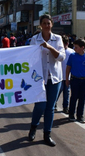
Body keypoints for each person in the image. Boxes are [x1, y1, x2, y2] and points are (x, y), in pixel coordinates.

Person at [28, 14, 65, 147]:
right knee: (40, 106)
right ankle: (33, 128)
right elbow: (30, 58)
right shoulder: (35, 39)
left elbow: (61, 57)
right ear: (40, 25)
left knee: (50, 108)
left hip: (55, 78)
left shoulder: (58, 39)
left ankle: (47, 134)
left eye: (48, 23)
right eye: (44, 23)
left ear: (52, 24)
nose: (46, 25)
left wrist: (49, 47)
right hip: (39, 78)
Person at [66, 38, 85, 124]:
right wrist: (67, 78)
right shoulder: (72, 56)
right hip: (74, 79)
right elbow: (68, 68)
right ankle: (71, 114)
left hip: (84, 80)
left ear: (82, 47)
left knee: (82, 98)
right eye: (74, 47)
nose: (75, 49)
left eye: (76, 47)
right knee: (74, 97)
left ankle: (80, 115)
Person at [56, 35, 74, 114]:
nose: (64, 45)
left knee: (66, 93)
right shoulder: (57, 52)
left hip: (68, 77)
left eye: (66, 43)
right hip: (58, 77)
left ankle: (65, 107)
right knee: (56, 93)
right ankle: (54, 105)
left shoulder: (71, 52)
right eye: (63, 43)